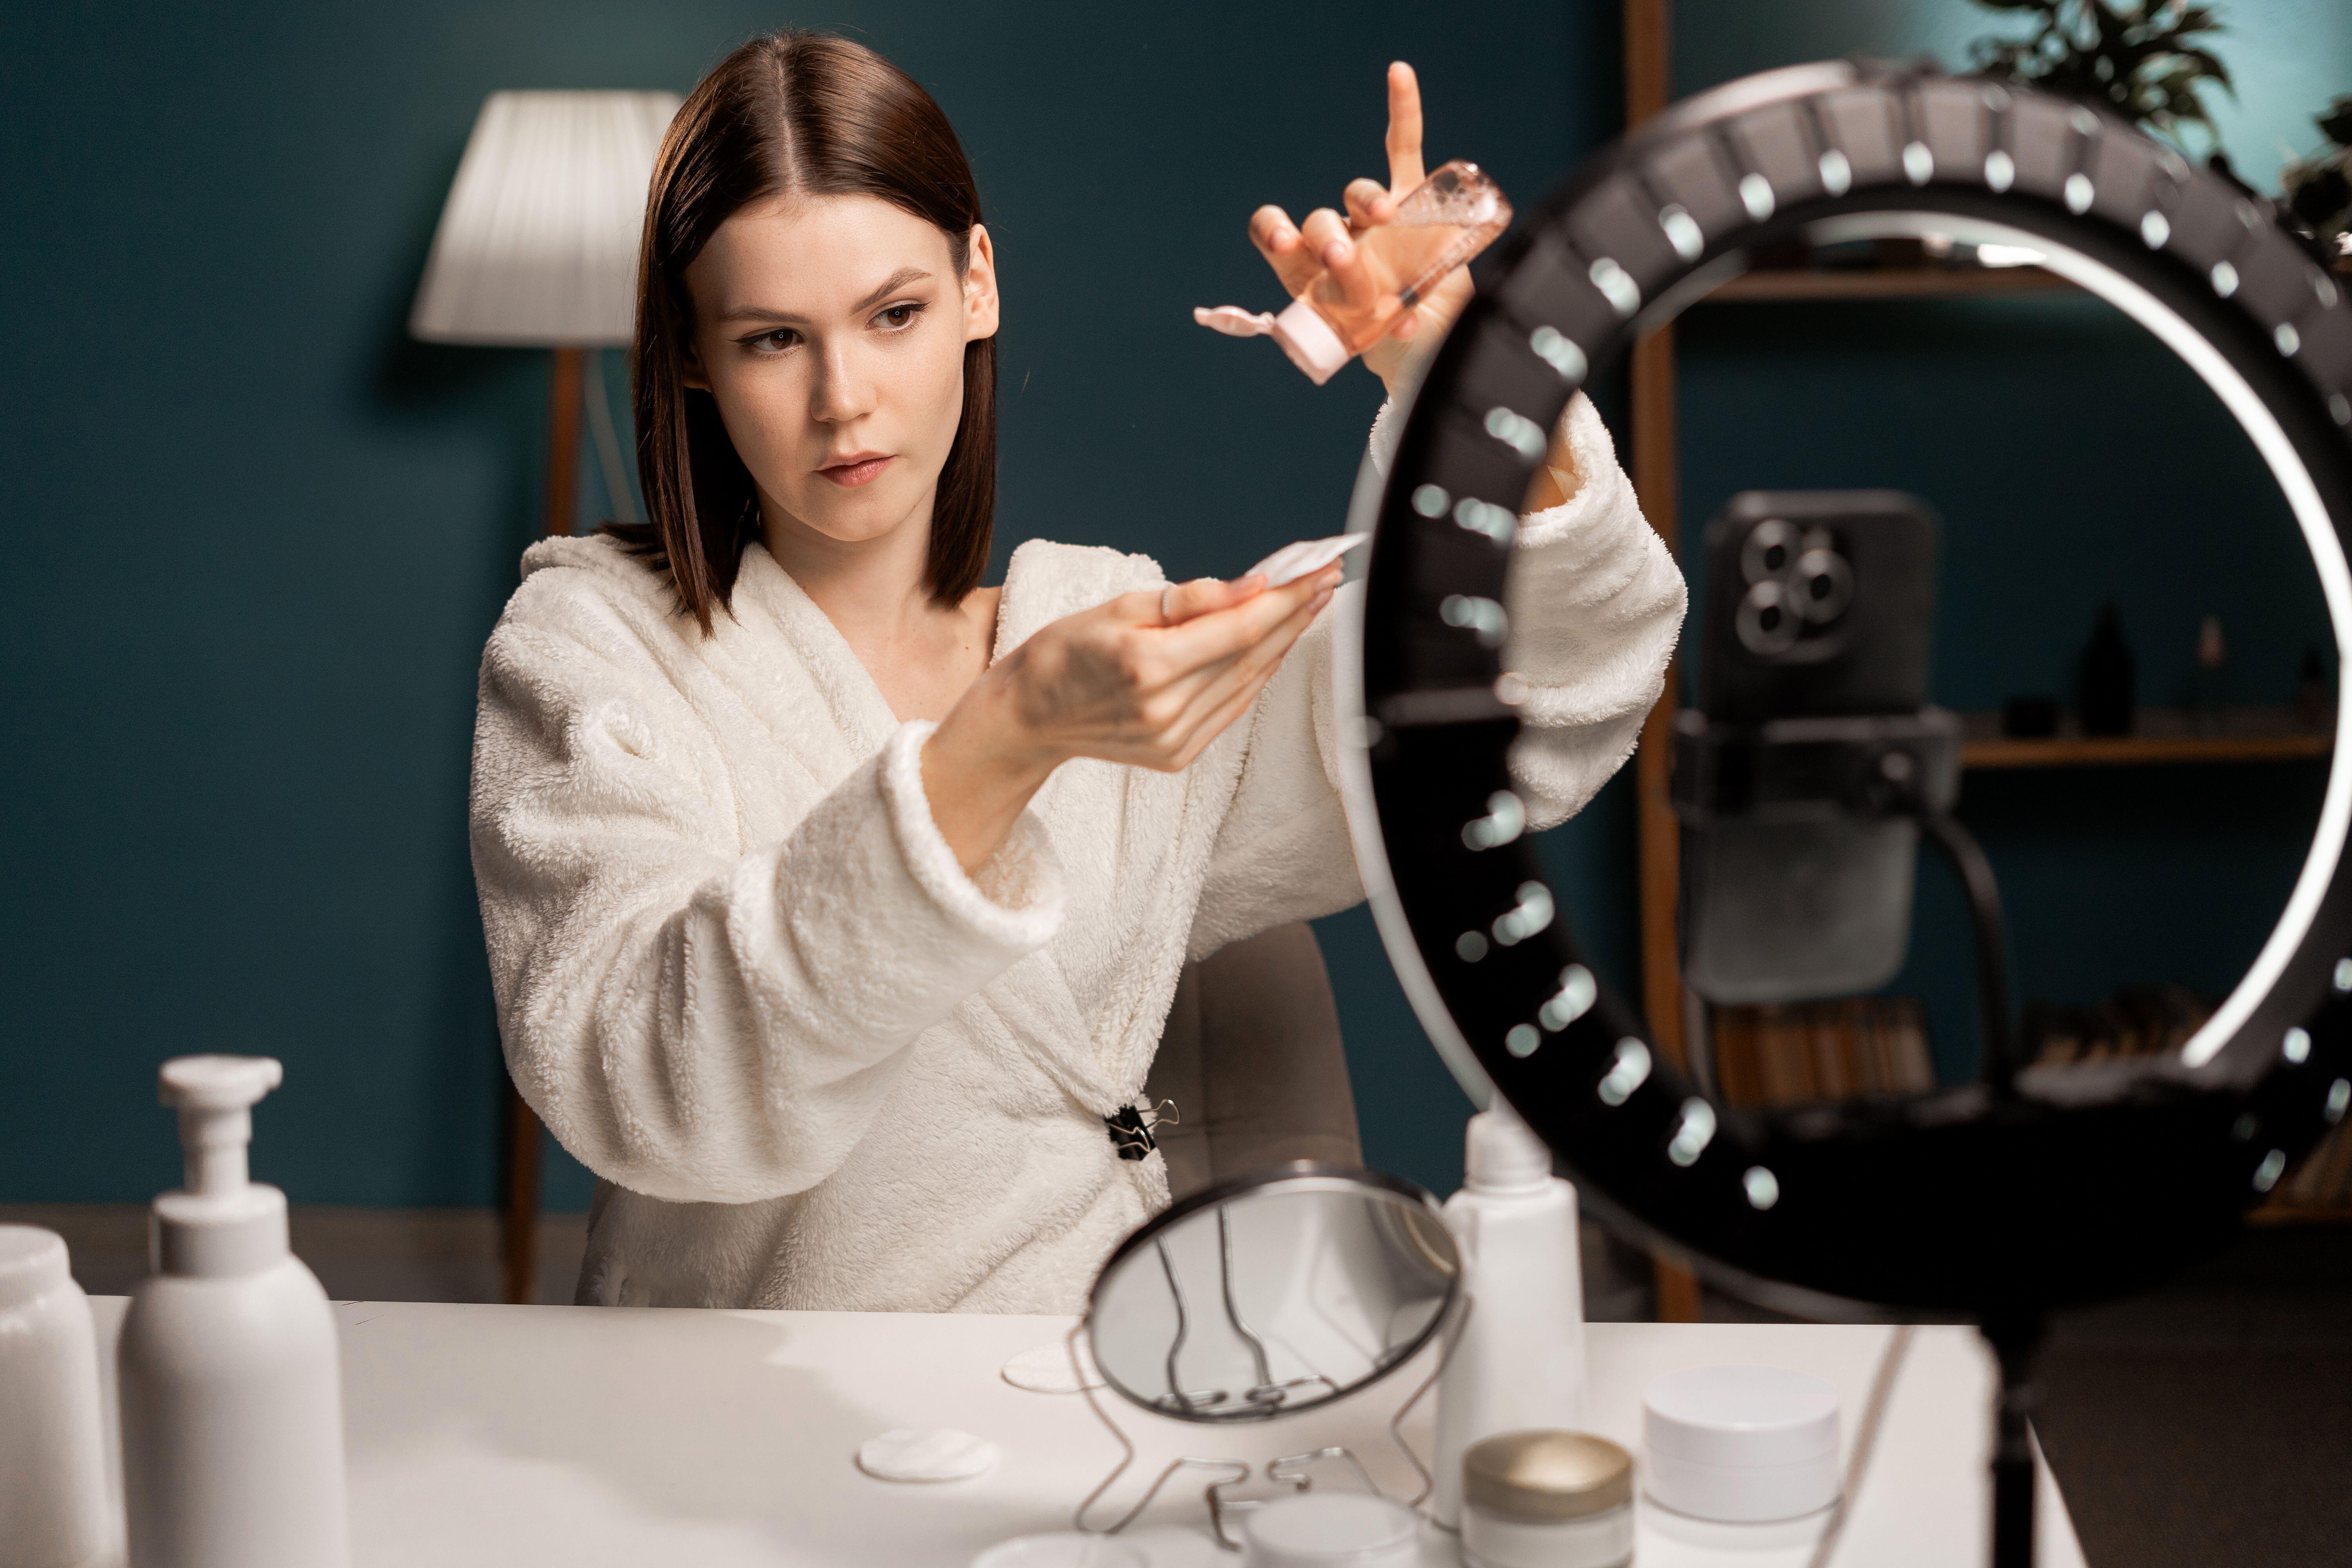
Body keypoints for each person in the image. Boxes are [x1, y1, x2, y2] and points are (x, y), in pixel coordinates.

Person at [470, 30, 1684, 1312]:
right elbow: (645, 1084)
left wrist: (1486, 404)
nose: (844, 398)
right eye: (775, 339)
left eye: (895, 315)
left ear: (977, 284)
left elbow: (1514, 718)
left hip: (1094, 1402)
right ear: (691, 357)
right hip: (739, 1431)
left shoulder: (1106, 627)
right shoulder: (595, 648)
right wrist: (1003, 742)